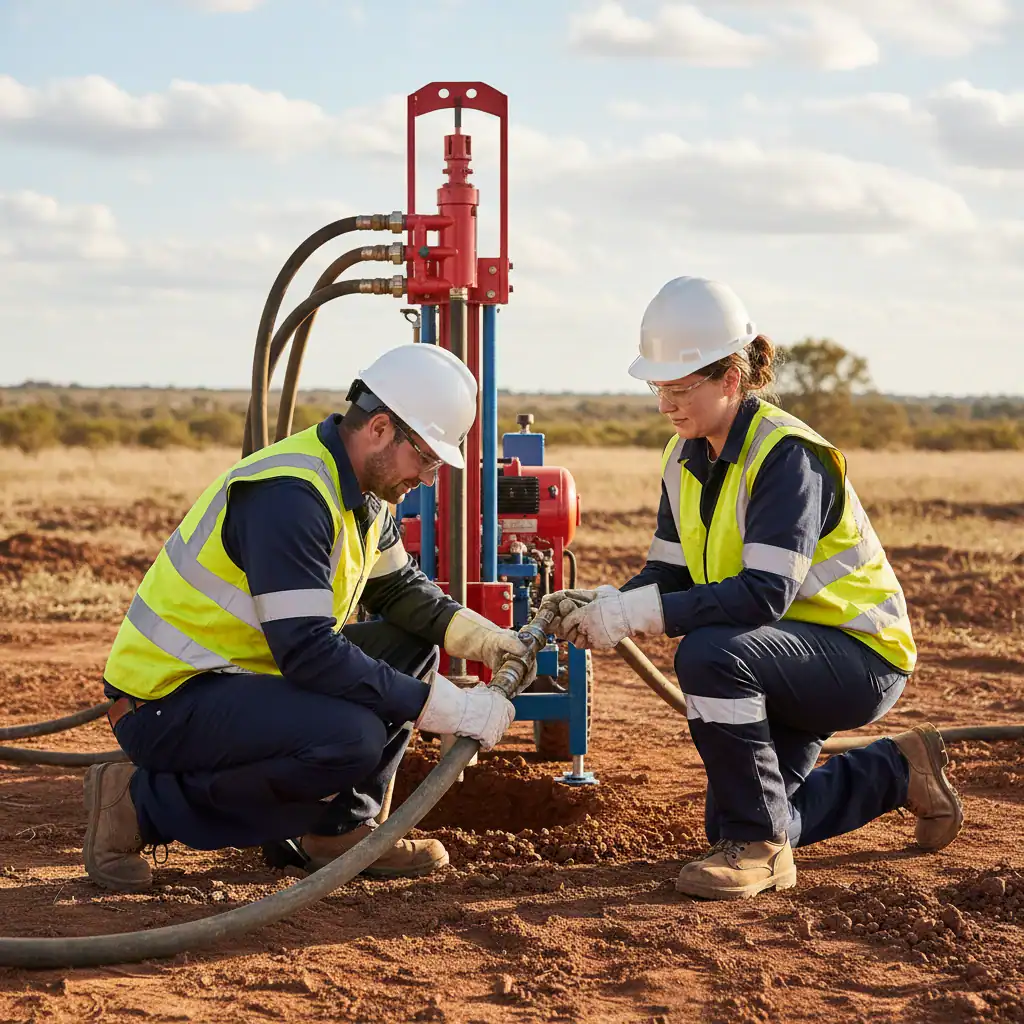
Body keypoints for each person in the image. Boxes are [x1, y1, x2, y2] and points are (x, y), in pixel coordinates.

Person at [545, 277, 963, 901]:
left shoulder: (786, 455)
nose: (666, 404)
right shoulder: (684, 456)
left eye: (682, 388)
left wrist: (635, 614)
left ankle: (764, 855)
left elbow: (763, 594)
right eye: (658, 387)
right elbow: (668, 574)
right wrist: (606, 604)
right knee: (740, 819)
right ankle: (898, 771)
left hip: (856, 655)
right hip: (783, 658)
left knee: (709, 652)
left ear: (730, 380)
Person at [84, 343, 530, 893]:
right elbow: (307, 650)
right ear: (382, 429)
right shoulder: (290, 496)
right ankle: (138, 804)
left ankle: (337, 831)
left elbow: (400, 591)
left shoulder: (365, 494)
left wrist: (487, 641)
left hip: (244, 677)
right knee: (350, 738)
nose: (431, 476)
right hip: (167, 700)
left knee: (412, 646)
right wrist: (449, 707)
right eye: (428, 457)